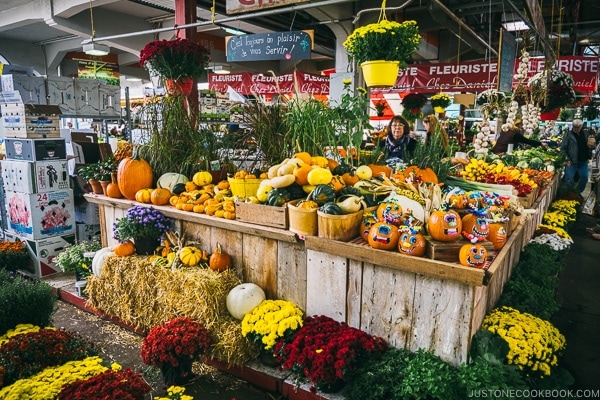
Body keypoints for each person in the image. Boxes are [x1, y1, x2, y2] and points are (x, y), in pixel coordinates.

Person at [561, 119, 595, 195]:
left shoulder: (585, 134)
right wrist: (567, 159)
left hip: (583, 161)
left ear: (581, 126)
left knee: (584, 178)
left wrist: (591, 146)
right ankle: (568, 195)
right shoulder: (568, 135)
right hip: (571, 161)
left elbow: (590, 146)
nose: (576, 128)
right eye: (574, 127)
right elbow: (563, 148)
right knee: (569, 179)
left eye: (578, 127)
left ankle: (577, 193)